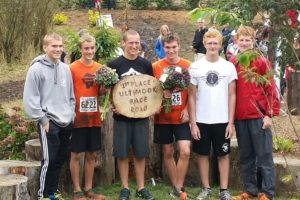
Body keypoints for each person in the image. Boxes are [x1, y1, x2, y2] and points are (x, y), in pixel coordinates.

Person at [229, 25, 279, 200]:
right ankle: (250, 190)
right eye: (241, 39)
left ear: (253, 41)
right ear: (237, 41)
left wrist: (269, 114)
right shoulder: (233, 62)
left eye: (247, 40)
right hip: (240, 116)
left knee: (264, 156)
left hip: (258, 115)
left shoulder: (261, 60)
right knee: (246, 156)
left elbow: (271, 88)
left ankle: (267, 192)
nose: (244, 43)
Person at [23, 33, 75, 200]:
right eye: (54, 46)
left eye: (60, 46)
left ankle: (52, 193)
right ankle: (43, 195)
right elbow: (31, 98)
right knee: (49, 160)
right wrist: (43, 120)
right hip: (49, 121)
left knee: (60, 159)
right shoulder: (36, 69)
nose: (58, 49)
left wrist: (71, 114)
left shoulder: (65, 69)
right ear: (45, 47)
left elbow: (71, 96)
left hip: (66, 120)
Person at [188, 31, 237, 200]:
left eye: (215, 43)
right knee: (202, 154)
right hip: (202, 118)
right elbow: (192, 96)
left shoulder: (228, 67)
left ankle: (224, 190)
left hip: (222, 119)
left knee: (223, 154)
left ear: (220, 44)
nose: (212, 46)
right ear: (204, 43)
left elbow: (232, 95)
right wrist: (193, 123)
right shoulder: (195, 67)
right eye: (209, 43)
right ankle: (206, 188)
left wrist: (231, 122)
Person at [107, 29, 155, 200]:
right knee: (122, 153)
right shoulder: (114, 65)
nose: (134, 46)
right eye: (131, 42)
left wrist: (155, 105)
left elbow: (152, 90)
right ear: (123, 43)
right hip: (121, 118)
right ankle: (125, 188)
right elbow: (109, 90)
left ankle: (141, 188)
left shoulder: (146, 65)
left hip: (141, 117)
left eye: (137, 43)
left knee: (140, 153)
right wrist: (113, 104)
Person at [152, 32, 191, 200]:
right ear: (163, 47)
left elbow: (194, 92)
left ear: (179, 46)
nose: (171, 50)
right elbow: (151, 91)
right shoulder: (155, 66)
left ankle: (178, 186)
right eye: (167, 47)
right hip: (163, 117)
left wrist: (188, 109)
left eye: (174, 47)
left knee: (185, 151)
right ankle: (177, 189)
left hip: (181, 116)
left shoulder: (188, 65)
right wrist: (157, 104)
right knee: (167, 152)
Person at [69, 34, 106, 200]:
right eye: (86, 48)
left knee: (91, 154)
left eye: (92, 48)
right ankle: (76, 190)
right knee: (76, 154)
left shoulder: (100, 68)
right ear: (80, 49)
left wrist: (107, 85)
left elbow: (101, 92)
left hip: (93, 118)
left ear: (95, 48)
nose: (89, 51)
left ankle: (88, 188)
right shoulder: (72, 68)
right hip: (77, 118)